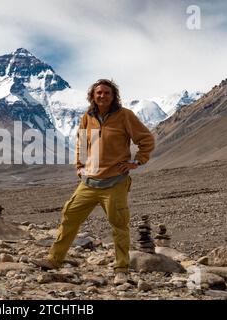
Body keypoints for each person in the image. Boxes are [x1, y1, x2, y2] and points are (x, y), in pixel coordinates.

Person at [31, 79, 155, 285]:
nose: (102, 96)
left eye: (107, 93)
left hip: (115, 182)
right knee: (69, 215)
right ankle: (54, 260)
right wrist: (79, 166)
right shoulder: (87, 117)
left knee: (119, 225)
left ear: (114, 96)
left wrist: (137, 161)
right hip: (89, 182)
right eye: (99, 93)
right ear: (92, 96)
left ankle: (121, 269)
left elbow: (146, 140)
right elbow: (80, 143)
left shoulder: (125, 116)